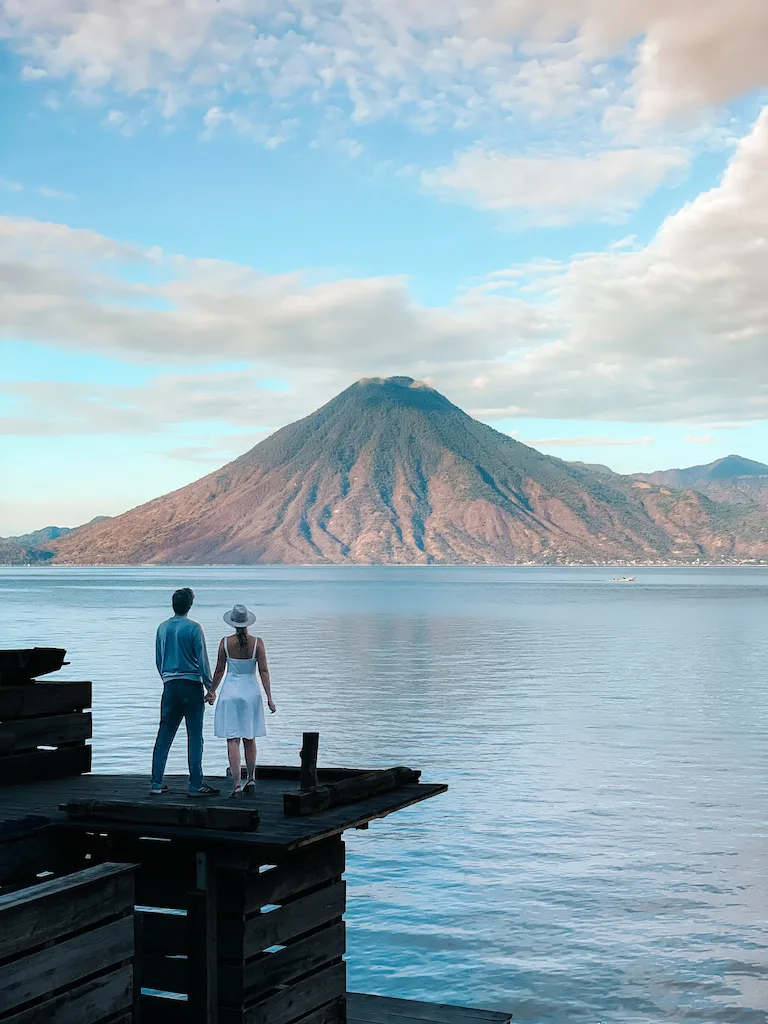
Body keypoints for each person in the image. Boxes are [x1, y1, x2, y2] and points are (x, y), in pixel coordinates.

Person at [150, 587, 220, 797]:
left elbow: (158, 659)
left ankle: (155, 782)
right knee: (195, 736)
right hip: (191, 685)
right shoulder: (194, 628)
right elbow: (202, 661)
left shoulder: (162, 628)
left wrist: (166, 678)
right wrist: (211, 689)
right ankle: (196, 784)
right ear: (189, 605)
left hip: (170, 686)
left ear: (174, 605)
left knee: (164, 734)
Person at [208, 603, 276, 797]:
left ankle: (237, 784)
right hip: (250, 693)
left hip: (230, 692)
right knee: (249, 737)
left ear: (233, 623)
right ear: (247, 623)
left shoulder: (225, 643)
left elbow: (219, 670)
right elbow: (263, 671)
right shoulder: (257, 643)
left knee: (232, 739)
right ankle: (251, 778)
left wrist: (211, 691)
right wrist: (270, 698)